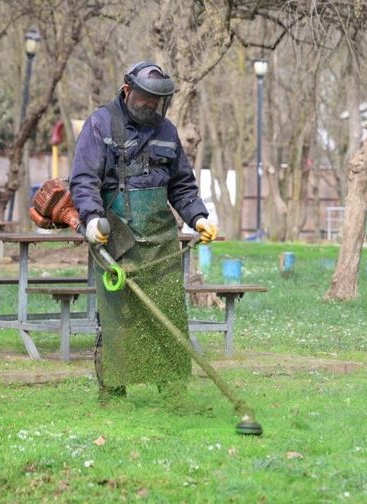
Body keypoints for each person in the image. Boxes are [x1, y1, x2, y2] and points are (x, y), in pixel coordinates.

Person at [70, 61, 218, 396]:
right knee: (118, 318)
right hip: (115, 237)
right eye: (146, 98)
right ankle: (113, 390)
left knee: (167, 313)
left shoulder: (167, 131)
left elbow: (182, 185)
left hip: (161, 239)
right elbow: (84, 180)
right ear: (127, 91)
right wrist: (92, 218)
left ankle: (172, 391)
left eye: (158, 100)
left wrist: (199, 217)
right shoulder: (100, 124)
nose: (152, 105)